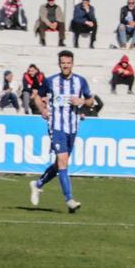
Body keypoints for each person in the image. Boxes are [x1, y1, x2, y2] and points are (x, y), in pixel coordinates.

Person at [29, 50, 93, 213]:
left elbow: (91, 101)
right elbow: (36, 96)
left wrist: (83, 101)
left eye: (68, 62)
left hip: (72, 127)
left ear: (72, 63)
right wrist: (42, 109)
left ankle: (37, 184)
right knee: (63, 161)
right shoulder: (51, 81)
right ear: (59, 64)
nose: (65, 65)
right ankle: (69, 199)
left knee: (59, 164)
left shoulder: (80, 81)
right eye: (63, 62)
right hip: (56, 126)